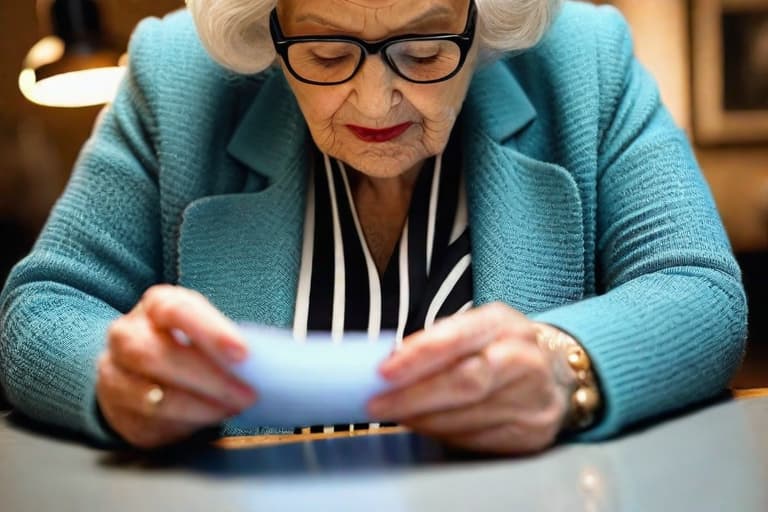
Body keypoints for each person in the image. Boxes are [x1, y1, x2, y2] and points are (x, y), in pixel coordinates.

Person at [0, 0, 747, 453]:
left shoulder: (584, 60)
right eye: (326, 51)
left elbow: (699, 291)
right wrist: (115, 377)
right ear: (268, 25)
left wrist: (565, 367)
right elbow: (42, 308)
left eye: (423, 51)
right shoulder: (175, 74)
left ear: (483, 20)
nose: (376, 99)